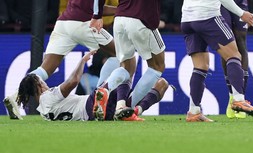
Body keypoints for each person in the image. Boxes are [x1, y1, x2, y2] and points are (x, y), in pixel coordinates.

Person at [3, 0, 120, 120]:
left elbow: (98, 7)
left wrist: (122, 9)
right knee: (122, 54)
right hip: (83, 23)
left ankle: (14, 97)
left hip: (64, 24)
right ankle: (101, 94)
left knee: (45, 69)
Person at [92, 0, 185, 121]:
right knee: (157, 65)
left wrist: (96, 14)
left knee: (127, 66)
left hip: (120, 19)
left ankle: (107, 92)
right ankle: (130, 107)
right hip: (142, 20)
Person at [14, 51, 169, 122]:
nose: (45, 82)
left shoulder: (43, 112)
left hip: (100, 111)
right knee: (124, 69)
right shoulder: (48, 97)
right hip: (91, 105)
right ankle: (110, 96)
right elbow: (73, 81)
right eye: (42, 81)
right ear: (38, 84)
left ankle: (131, 111)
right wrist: (83, 60)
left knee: (162, 85)